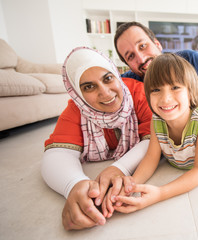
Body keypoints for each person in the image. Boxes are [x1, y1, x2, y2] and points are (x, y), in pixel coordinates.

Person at [41, 47, 153, 230]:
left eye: (108, 78)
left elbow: (154, 142)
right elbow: (57, 153)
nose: (105, 92)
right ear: (77, 92)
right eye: (89, 87)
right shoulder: (77, 109)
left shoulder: (139, 93)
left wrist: (119, 168)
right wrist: (74, 184)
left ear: (116, 74)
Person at [114, 21, 198, 173]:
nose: (141, 58)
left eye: (143, 46)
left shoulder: (189, 60)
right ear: (127, 64)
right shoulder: (130, 81)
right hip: (178, 131)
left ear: (157, 44)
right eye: (130, 56)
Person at [106, 53, 198, 214]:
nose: (165, 99)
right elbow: (151, 158)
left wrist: (159, 193)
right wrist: (132, 185)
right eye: (156, 90)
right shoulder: (157, 121)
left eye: (175, 87)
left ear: (190, 91)